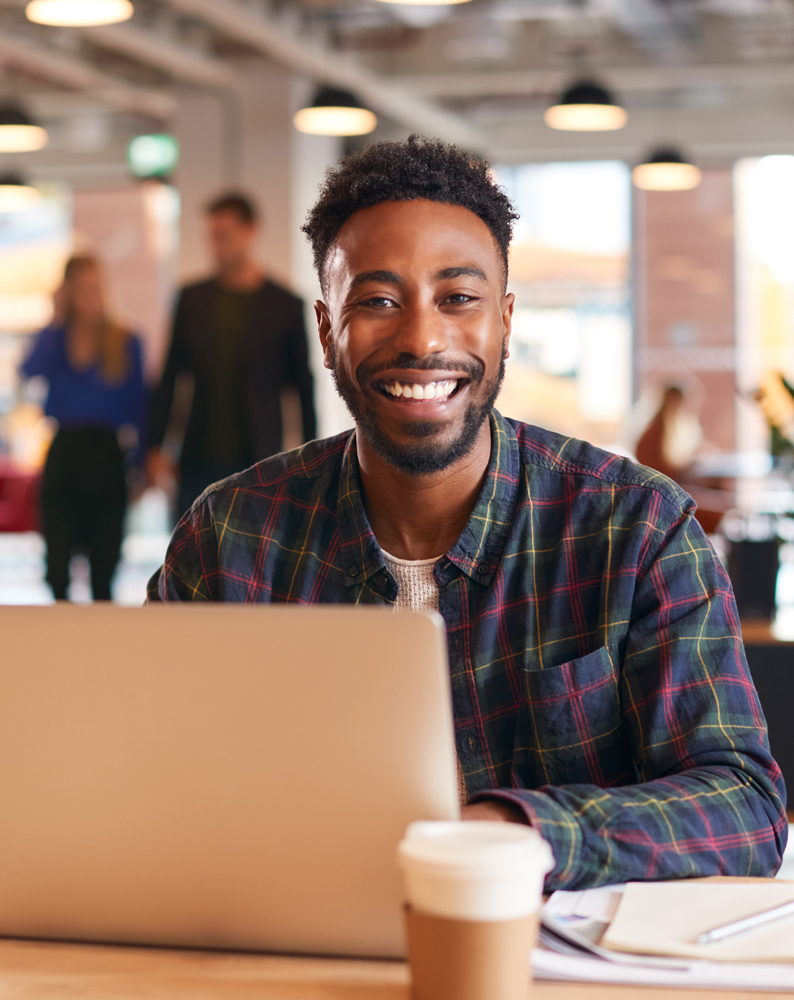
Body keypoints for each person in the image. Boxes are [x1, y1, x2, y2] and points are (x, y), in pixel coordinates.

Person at [147, 136, 787, 891]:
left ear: (505, 321)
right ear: (327, 332)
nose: (422, 338)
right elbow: (145, 782)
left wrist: (516, 831)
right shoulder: (229, 539)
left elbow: (744, 808)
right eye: (379, 301)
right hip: (296, 948)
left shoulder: (638, 528)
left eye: (458, 298)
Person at [147, 192, 316, 520]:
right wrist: (156, 446)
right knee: (192, 552)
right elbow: (169, 376)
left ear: (251, 231)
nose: (217, 245)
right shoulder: (192, 300)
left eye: (224, 236)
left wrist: (312, 462)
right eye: (212, 236)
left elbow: (302, 389)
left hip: (260, 457)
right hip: (198, 455)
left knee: (255, 559)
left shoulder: (285, 305)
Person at [21, 254, 146, 601]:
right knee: (57, 566)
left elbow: (139, 409)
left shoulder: (124, 342)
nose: (88, 296)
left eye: (93, 286)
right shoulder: (57, 340)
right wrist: (56, 317)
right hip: (64, 455)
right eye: (79, 289)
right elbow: (28, 369)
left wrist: (139, 467)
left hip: (105, 456)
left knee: (104, 567)